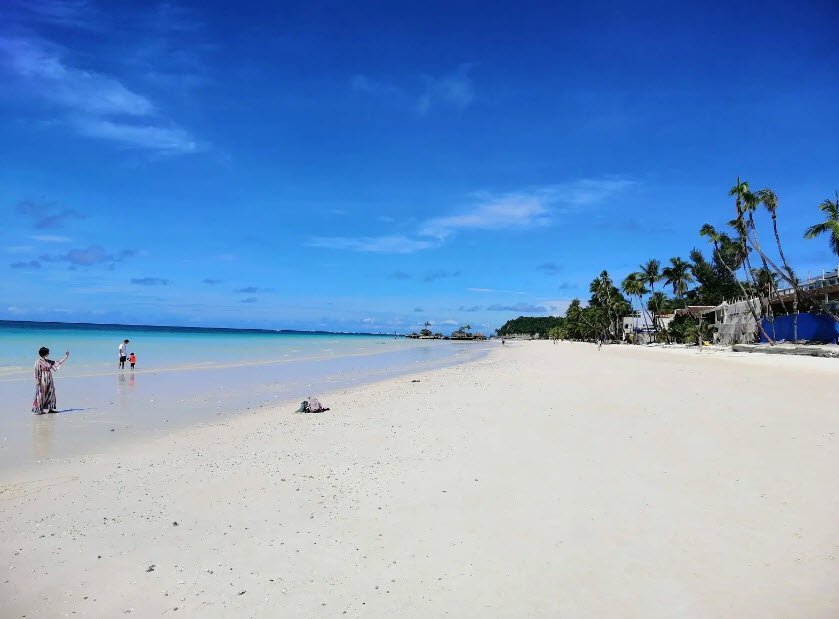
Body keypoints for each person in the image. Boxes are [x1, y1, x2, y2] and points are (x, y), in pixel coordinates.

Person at [32, 347, 70, 415]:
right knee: (41, 394)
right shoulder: (38, 362)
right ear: (45, 353)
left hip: (49, 379)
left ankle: (50, 409)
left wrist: (66, 357)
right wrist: (38, 380)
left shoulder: (47, 361)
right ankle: (40, 410)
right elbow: (36, 371)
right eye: (47, 352)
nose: (48, 353)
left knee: (51, 392)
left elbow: (57, 363)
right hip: (42, 379)